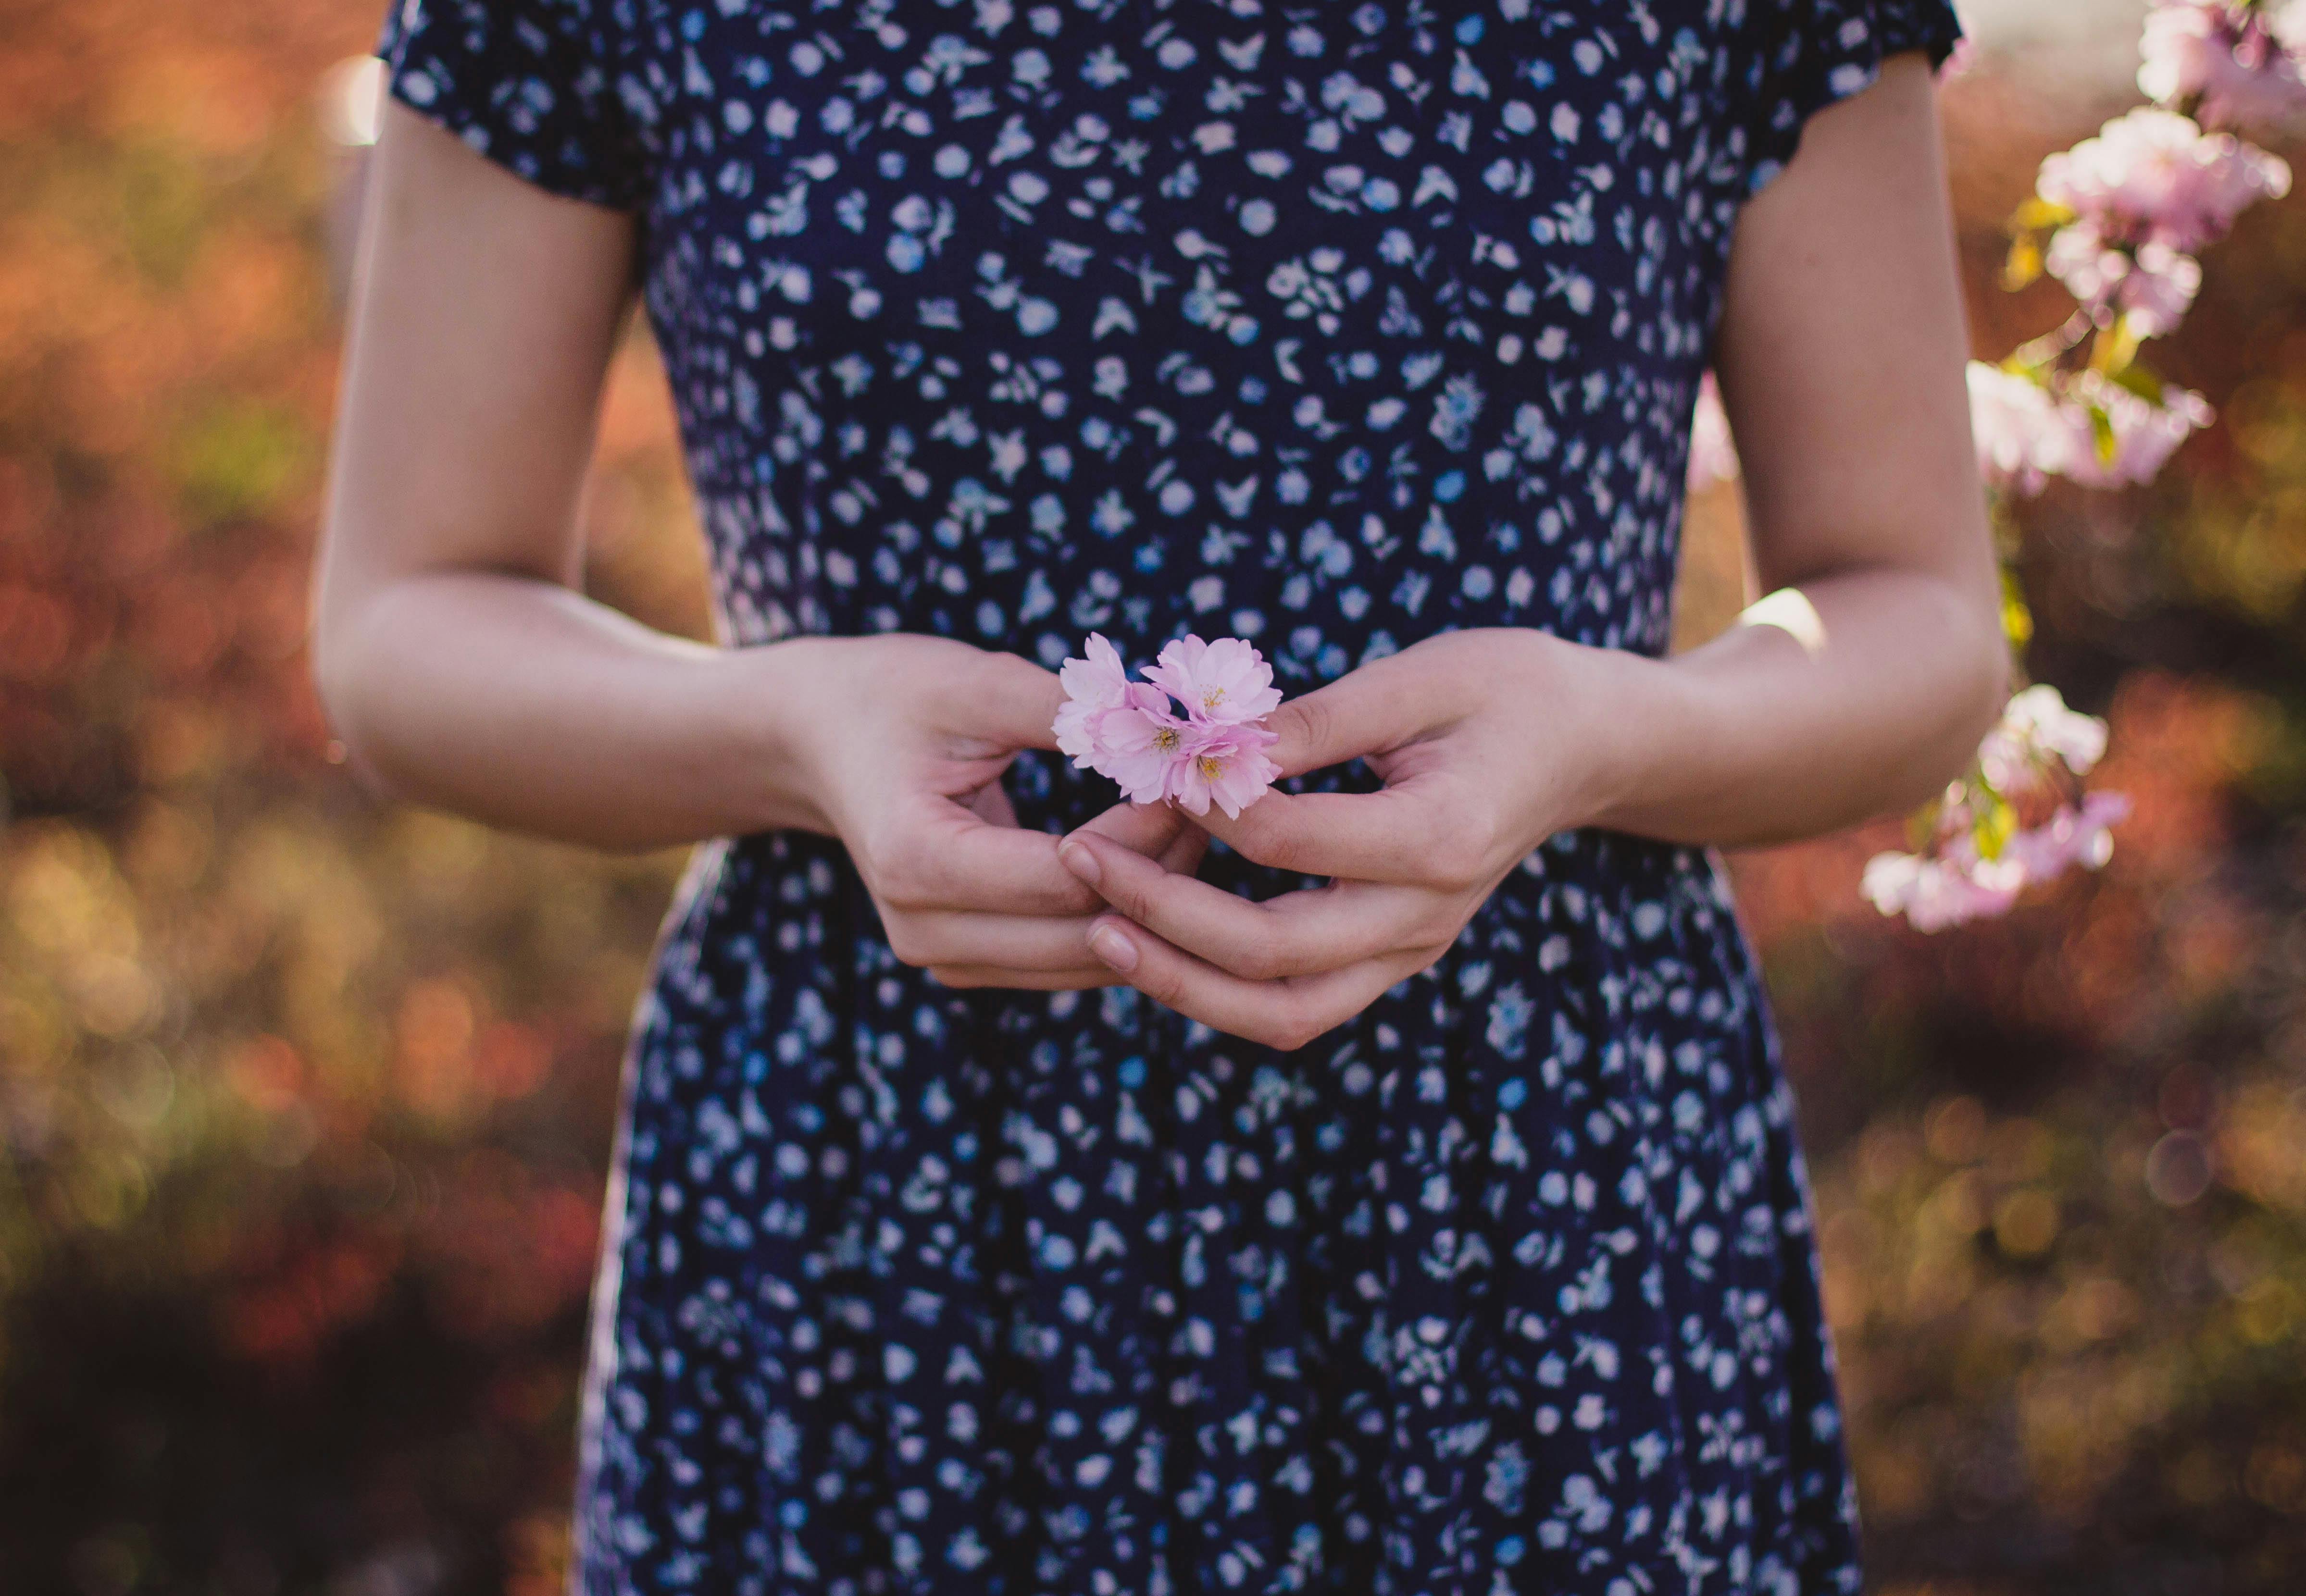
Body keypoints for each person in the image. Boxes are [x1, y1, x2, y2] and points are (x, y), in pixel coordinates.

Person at [313, 1, 2003, 1590]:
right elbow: (406, 622)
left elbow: (1915, 613)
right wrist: (789, 726)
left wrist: (1607, 730)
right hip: (882, 1203)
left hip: (1525, 1199)